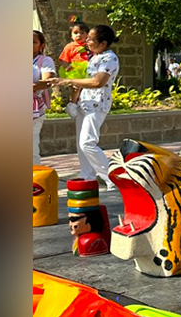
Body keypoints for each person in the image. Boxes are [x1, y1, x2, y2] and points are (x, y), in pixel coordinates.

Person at [49, 24, 121, 191]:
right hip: (85, 103)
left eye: (90, 39)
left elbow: (98, 82)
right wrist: (74, 99)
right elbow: (85, 80)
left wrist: (68, 81)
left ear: (103, 43)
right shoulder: (95, 57)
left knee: (87, 142)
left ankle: (113, 177)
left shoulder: (109, 58)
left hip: (97, 104)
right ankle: (88, 178)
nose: (87, 41)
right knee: (81, 145)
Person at [32, 30, 56, 165]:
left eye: (33, 42)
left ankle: (34, 181)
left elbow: (47, 82)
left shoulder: (44, 61)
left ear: (41, 45)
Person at [58, 19, 90, 110]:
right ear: (71, 36)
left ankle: (82, 103)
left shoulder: (89, 45)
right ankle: (73, 104)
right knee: (76, 87)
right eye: (76, 33)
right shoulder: (70, 46)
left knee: (86, 87)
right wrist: (66, 66)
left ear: (87, 34)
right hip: (75, 69)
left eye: (82, 33)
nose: (79, 35)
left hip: (87, 68)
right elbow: (63, 59)